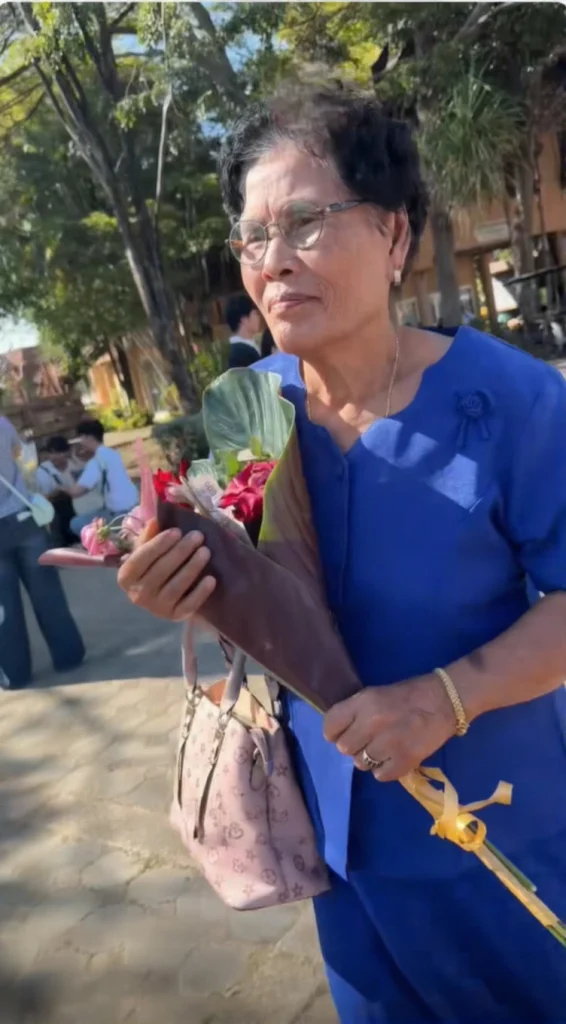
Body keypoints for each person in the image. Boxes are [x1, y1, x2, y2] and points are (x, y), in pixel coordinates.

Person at [116, 76, 566, 1022]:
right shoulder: (252, 409)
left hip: (497, 826)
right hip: (337, 843)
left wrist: (448, 696)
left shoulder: (515, 405)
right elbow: (260, 585)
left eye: (307, 223)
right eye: (252, 236)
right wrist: (185, 584)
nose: (272, 261)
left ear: (395, 235)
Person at [0, 416, 84, 689]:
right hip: (24, 516)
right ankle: (68, 655)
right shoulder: (2, 423)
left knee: (5, 607)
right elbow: (20, 456)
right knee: (48, 594)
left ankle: (14, 673)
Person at [65, 419, 138, 538]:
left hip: (120, 514)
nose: (81, 443)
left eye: (81, 438)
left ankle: (110, 544)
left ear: (87, 437)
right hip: (134, 506)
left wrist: (59, 488)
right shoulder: (113, 453)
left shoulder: (97, 461)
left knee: (76, 523)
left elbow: (76, 491)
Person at [36, 436, 101, 546]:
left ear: (67, 453)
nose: (54, 457)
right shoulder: (43, 471)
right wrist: (58, 492)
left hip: (83, 505)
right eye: (51, 453)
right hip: (60, 509)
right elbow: (44, 498)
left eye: (59, 453)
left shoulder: (76, 464)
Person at [224, 293, 263, 368]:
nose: (259, 318)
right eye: (255, 314)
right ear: (244, 320)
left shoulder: (226, 351)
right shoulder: (246, 352)